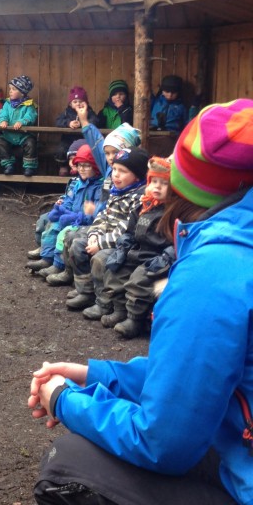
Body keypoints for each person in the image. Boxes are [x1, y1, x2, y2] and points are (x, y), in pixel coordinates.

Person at [28, 98, 253, 505]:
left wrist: (64, 400)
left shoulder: (217, 272)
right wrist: (98, 376)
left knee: (68, 464)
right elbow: (200, 375)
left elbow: (162, 443)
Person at [93, 156, 173, 335]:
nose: (157, 187)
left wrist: (167, 256)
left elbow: (176, 241)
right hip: (138, 252)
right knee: (115, 269)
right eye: (154, 182)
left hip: (157, 258)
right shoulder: (144, 206)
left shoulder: (172, 212)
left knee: (138, 279)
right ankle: (119, 310)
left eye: (164, 183)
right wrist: (123, 246)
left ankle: (134, 319)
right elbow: (130, 231)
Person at [65, 146, 148, 313]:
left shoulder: (139, 197)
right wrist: (95, 234)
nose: (116, 174)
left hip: (123, 244)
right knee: (78, 245)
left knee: (100, 259)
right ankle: (85, 291)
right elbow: (103, 216)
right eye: (115, 169)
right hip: (105, 236)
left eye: (122, 171)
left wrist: (100, 244)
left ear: (138, 174)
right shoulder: (117, 191)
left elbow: (126, 229)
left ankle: (104, 302)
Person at [28, 143, 104, 279]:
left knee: (65, 233)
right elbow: (69, 200)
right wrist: (61, 210)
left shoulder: (98, 188)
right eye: (79, 165)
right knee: (53, 225)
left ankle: (59, 265)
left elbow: (95, 214)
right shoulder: (79, 183)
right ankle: (47, 258)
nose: (82, 169)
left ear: (96, 167)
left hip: (83, 222)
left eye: (86, 166)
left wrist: (75, 217)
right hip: (72, 216)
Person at [27, 139, 86, 262]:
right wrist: (61, 201)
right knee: (43, 219)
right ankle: (43, 247)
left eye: (77, 160)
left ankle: (50, 255)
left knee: (54, 225)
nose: (73, 163)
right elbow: (68, 196)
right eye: (71, 159)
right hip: (66, 209)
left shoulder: (87, 182)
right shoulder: (75, 180)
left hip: (75, 215)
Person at [0, 75, 38, 176]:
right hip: (8, 135)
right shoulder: (7, 104)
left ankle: (29, 166)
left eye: (13, 89)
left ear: (22, 93)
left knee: (31, 143)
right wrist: (3, 120)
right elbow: (3, 113)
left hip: (23, 135)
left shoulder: (29, 105)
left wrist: (22, 122)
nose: (10, 91)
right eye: (10, 89)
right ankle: (8, 165)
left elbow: (31, 116)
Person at [54, 86, 99, 176]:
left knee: (86, 152)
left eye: (81, 101)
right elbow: (58, 121)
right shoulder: (66, 113)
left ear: (86, 102)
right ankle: (63, 166)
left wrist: (82, 122)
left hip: (84, 140)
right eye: (75, 102)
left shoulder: (89, 112)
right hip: (68, 139)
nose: (78, 104)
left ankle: (80, 169)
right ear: (70, 104)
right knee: (61, 150)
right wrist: (68, 123)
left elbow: (95, 121)